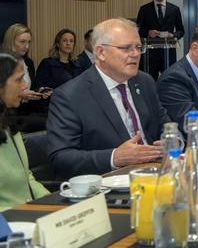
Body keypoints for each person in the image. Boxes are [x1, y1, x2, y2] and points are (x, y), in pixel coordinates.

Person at [47, 18, 167, 179]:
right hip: (107, 186)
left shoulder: (145, 82)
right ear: (101, 52)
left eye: (138, 47)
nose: (136, 54)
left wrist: (172, 142)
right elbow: (61, 158)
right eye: (126, 48)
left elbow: (167, 125)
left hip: (156, 173)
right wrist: (114, 157)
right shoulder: (70, 96)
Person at [0, 51, 49, 211]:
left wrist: (53, 204)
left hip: (28, 216)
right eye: (19, 79)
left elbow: (26, 176)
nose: (25, 85)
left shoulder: (7, 123)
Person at [136, 0, 185, 80]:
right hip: (149, 55)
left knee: (169, 82)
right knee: (148, 82)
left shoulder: (174, 9)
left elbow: (181, 30)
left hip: (168, 53)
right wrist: (148, 32)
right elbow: (137, 30)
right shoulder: (144, 9)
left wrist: (174, 35)